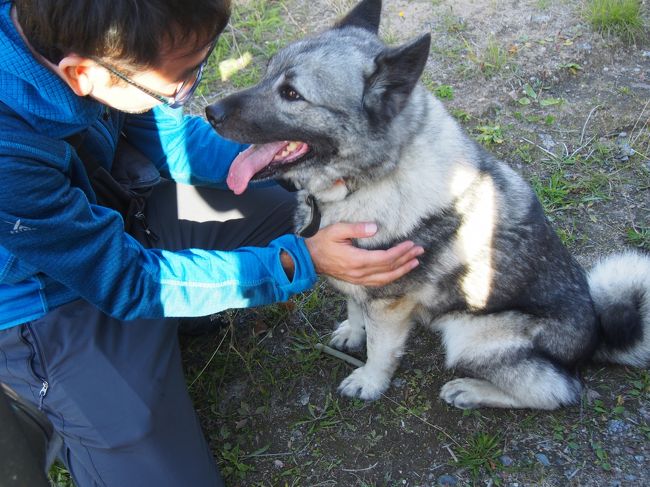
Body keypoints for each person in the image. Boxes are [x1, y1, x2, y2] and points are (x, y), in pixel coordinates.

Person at [0, 0, 424, 485]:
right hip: (46, 297)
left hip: (117, 211)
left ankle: (180, 306)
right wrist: (298, 261)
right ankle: (34, 395)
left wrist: (265, 164)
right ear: (83, 76)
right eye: (181, 78)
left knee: (298, 211)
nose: (192, 89)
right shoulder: (7, 156)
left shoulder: (87, 34)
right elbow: (126, 281)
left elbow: (164, 133)